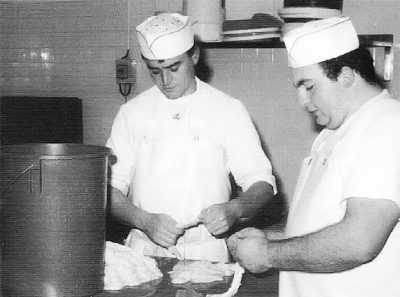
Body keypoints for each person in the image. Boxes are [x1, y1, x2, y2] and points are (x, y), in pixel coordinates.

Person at [228, 16, 400, 297]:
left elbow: (359, 240)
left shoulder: (387, 125)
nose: (303, 101)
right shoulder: (334, 131)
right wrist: (275, 238)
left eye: (309, 86)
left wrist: (268, 254)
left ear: (346, 76)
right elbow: (322, 222)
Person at [106, 12, 276, 263]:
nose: (166, 80)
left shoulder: (227, 109)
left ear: (194, 56)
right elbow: (109, 190)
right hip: (144, 252)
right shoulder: (131, 113)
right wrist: (144, 221)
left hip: (207, 254)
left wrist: (234, 209)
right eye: (155, 71)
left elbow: (263, 184)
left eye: (174, 68)